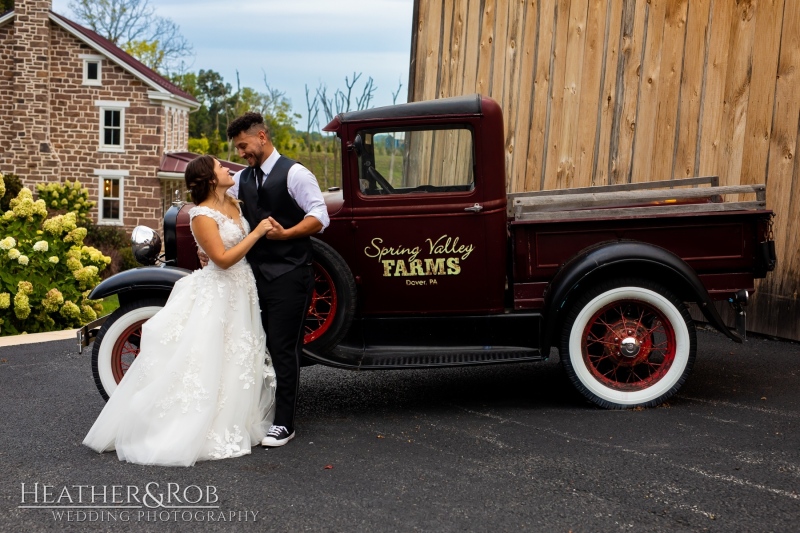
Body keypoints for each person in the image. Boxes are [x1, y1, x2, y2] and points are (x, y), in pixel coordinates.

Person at [83, 156, 276, 466]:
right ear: (211, 179)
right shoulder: (200, 215)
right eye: (220, 167)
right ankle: (195, 425)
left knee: (237, 355)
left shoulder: (234, 201)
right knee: (208, 357)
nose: (228, 169)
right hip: (220, 289)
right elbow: (223, 259)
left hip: (242, 289)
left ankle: (234, 419)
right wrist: (256, 233)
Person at [226, 112, 329, 447]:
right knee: (257, 347)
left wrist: (287, 235)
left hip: (289, 274)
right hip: (253, 276)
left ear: (262, 136)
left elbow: (319, 217)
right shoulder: (242, 179)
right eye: (238, 148)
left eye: (244, 146)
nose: (241, 153)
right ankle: (260, 413)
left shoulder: (295, 173)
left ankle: (285, 423)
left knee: (284, 348)